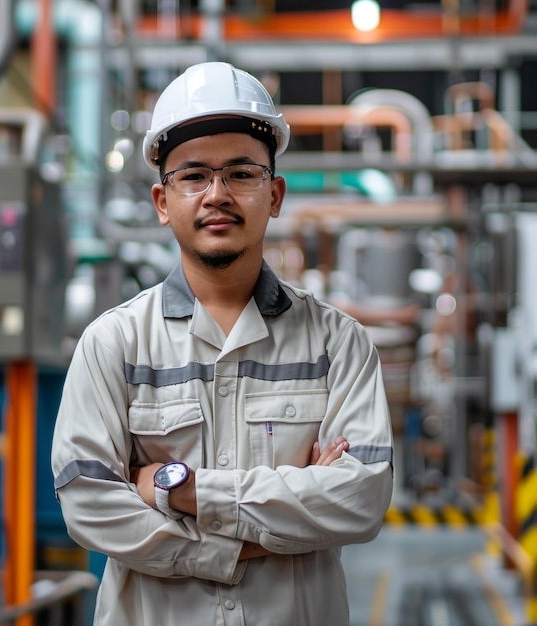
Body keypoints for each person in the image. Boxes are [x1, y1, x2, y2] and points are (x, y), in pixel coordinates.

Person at [51, 61, 394, 626]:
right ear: (163, 202)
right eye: (193, 176)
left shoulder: (339, 344)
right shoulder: (114, 343)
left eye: (241, 173)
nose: (217, 194)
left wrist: (177, 489)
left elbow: (358, 500)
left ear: (276, 194)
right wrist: (234, 547)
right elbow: (89, 505)